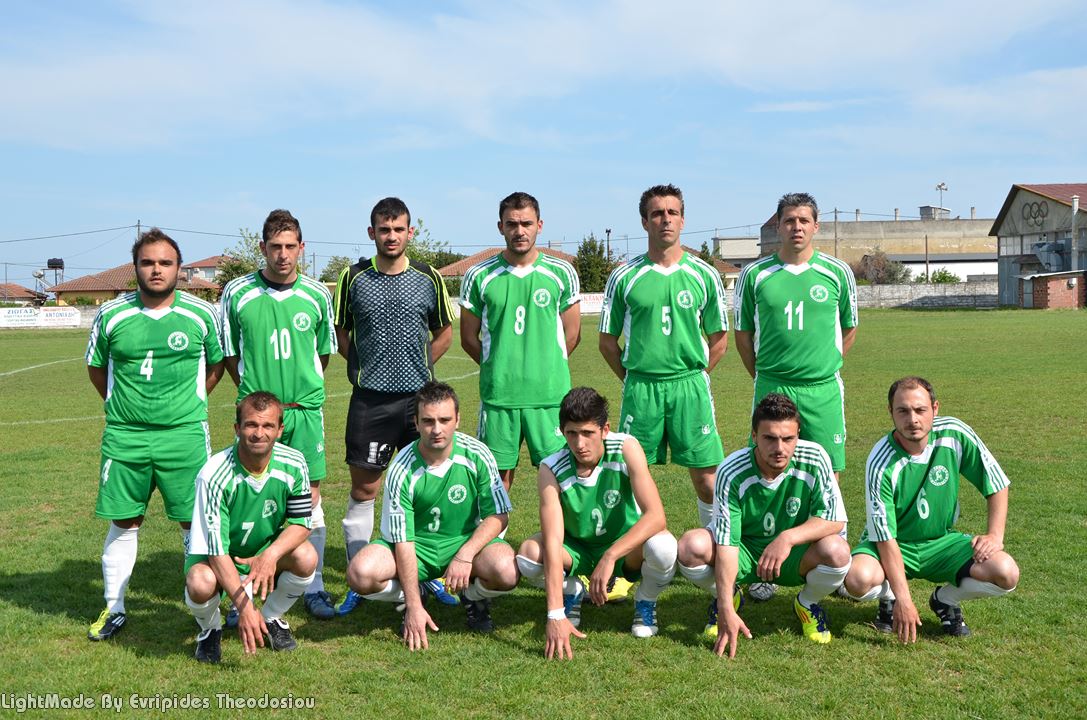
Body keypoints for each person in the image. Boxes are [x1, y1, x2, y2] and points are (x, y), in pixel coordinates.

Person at [85, 228, 224, 641]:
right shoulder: (111, 315)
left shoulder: (201, 314)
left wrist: (187, 403)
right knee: (124, 521)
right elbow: (96, 367)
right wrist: (122, 405)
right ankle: (114, 608)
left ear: (179, 268)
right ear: (136, 268)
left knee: (193, 522)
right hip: (125, 436)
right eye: (148, 262)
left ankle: (200, 605)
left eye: (165, 262)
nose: (157, 269)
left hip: (184, 435)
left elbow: (216, 366)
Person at [732, 192, 857, 601]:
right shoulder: (756, 275)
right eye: (789, 220)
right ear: (778, 226)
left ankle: (829, 557)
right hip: (773, 384)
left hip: (822, 389)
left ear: (816, 226)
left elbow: (848, 329)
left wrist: (821, 366)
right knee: (767, 467)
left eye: (804, 220)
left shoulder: (837, 273)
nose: (797, 227)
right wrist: (766, 375)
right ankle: (763, 565)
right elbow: (743, 336)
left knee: (830, 473)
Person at [333, 197, 455, 615]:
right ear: (372, 233)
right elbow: (341, 331)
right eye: (384, 230)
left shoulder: (429, 276)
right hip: (370, 401)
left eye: (398, 229)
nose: (391, 236)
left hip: (419, 402)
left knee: (423, 484)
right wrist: (365, 367)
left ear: (410, 232)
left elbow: (444, 331)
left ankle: (427, 572)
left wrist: (420, 367)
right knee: (365, 488)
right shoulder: (352, 277)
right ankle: (358, 576)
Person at [219, 209, 337, 619]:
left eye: (290, 246)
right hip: (259, 418)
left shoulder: (317, 294)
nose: (283, 255)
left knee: (310, 499)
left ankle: (315, 586)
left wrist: (297, 391)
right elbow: (230, 353)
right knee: (249, 500)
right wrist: (258, 400)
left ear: (301, 247)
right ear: (262, 247)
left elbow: (322, 355)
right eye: (275, 247)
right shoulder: (237, 293)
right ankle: (245, 591)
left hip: (303, 412)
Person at [842, 377, 1019, 642]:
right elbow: (886, 538)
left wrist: (995, 535)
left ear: (935, 408)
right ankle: (889, 597)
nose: (912, 419)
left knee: (1006, 572)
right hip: (894, 544)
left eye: (920, 410)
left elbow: (996, 483)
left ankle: (944, 600)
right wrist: (903, 599)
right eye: (903, 411)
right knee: (858, 579)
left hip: (940, 543)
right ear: (891, 412)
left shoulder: (955, 434)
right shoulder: (880, 462)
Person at [345, 382, 517, 650]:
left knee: (507, 570)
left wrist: (465, 555)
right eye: (428, 421)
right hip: (418, 549)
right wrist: (413, 606)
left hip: (463, 543)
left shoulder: (477, 454)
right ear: (415, 422)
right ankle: (415, 595)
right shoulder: (402, 468)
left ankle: (472, 597)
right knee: (360, 574)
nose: (437, 429)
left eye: (444, 420)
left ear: (458, 420)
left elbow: (498, 514)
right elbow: (403, 541)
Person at [677, 393, 850, 658]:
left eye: (788, 438)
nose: (779, 448)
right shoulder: (732, 470)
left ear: (798, 435)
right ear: (754, 436)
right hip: (745, 553)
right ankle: (729, 596)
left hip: (793, 556)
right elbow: (727, 543)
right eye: (769, 438)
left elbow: (835, 518)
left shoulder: (815, 457)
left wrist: (787, 538)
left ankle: (807, 604)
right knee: (691, 547)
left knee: (838, 551)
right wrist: (725, 607)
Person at [599, 184, 728, 528]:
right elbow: (607, 342)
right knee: (630, 476)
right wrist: (631, 378)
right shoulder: (624, 276)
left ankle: (715, 546)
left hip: (690, 386)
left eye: (673, 213)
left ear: (683, 220)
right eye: (657, 214)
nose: (665, 219)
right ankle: (634, 553)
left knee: (707, 479)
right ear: (645, 222)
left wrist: (699, 376)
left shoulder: (704, 274)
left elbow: (719, 340)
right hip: (642, 387)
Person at [516, 387, 678, 659]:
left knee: (664, 547)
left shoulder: (626, 447)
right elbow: (553, 541)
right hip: (577, 549)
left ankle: (645, 600)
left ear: (605, 430)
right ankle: (571, 591)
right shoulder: (550, 468)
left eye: (587, 433)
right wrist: (554, 614)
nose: (580, 444)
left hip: (623, 548)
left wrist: (610, 556)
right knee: (529, 556)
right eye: (572, 433)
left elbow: (656, 516)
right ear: (562, 431)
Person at [460, 191, 581, 491]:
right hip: (500, 397)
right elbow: (468, 338)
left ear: (539, 225)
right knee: (496, 482)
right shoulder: (479, 275)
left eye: (526, 223)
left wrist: (546, 366)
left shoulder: (561, 272)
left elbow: (573, 335)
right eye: (511, 224)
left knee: (561, 477)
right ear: (500, 227)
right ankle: (496, 526)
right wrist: (497, 366)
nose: (519, 231)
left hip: (550, 396)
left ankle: (557, 528)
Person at [184, 392, 317, 663]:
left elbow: (302, 523)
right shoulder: (213, 474)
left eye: (268, 425)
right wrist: (244, 608)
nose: (259, 433)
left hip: (262, 549)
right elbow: (217, 553)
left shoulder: (295, 462)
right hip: (218, 557)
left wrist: (269, 556)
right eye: (251, 425)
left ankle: (270, 618)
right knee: (199, 581)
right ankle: (210, 630)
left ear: (280, 430)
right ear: (237, 428)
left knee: (306, 556)